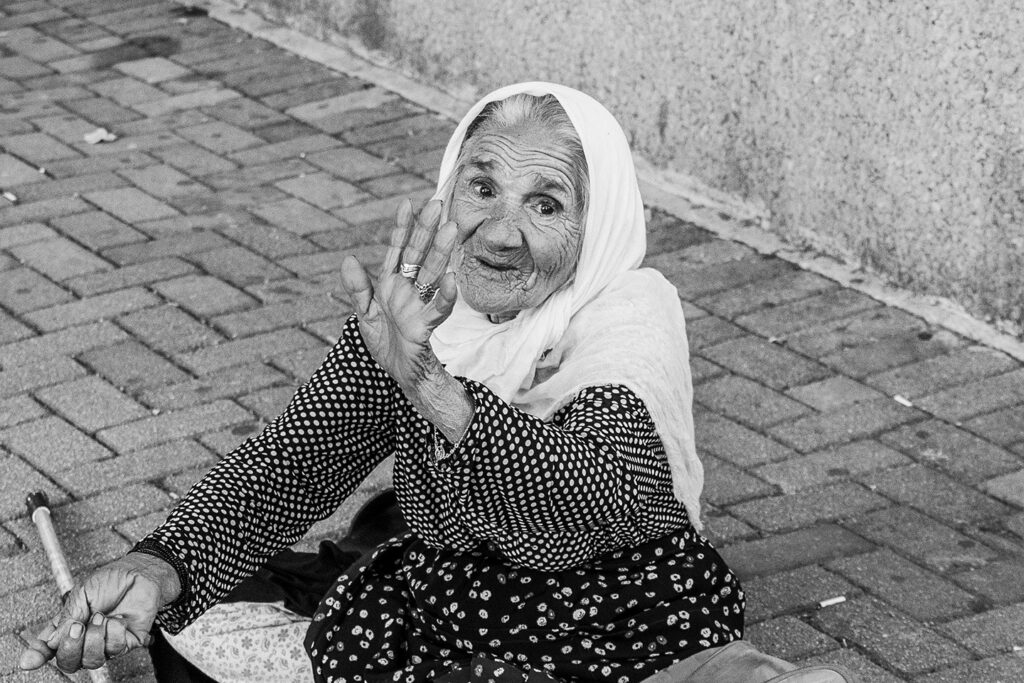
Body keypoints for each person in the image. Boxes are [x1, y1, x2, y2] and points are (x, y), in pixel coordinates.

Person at [20, 82, 854, 683]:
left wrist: (429, 385)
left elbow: (592, 501)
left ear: (595, 226)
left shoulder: (627, 313)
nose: (500, 230)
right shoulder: (425, 307)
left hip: (613, 596)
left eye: (546, 204)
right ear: (449, 184)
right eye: (483, 186)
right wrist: (159, 563)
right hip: (454, 584)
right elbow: (299, 458)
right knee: (195, 609)